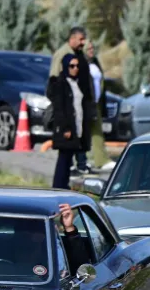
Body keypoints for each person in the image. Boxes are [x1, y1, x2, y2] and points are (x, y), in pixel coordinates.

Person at [48, 26, 94, 171]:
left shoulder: (79, 54)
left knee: (81, 134)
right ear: (72, 38)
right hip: (69, 106)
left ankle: (81, 164)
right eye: (80, 39)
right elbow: (54, 81)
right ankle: (69, 168)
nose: (83, 42)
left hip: (80, 103)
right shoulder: (62, 54)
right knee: (68, 142)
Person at [50, 54, 88, 190]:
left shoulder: (77, 82)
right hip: (66, 128)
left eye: (77, 66)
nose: (75, 69)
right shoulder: (61, 83)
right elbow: (60, 108)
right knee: (63, 159)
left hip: (76, 125)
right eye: (72, 66)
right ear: (66, 66)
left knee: (69, 158)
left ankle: (63, 185)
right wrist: (66, 128)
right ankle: (58, 186)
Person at [83, 39, 112, 172]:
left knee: (97, 132)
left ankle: (101, 159)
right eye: (89, 49)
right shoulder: (81, 64)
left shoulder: (95, 63)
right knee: (85, 133)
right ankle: (85, 160)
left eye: (92, 48)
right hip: (86, 103)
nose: (92, 51)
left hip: (96, 103)